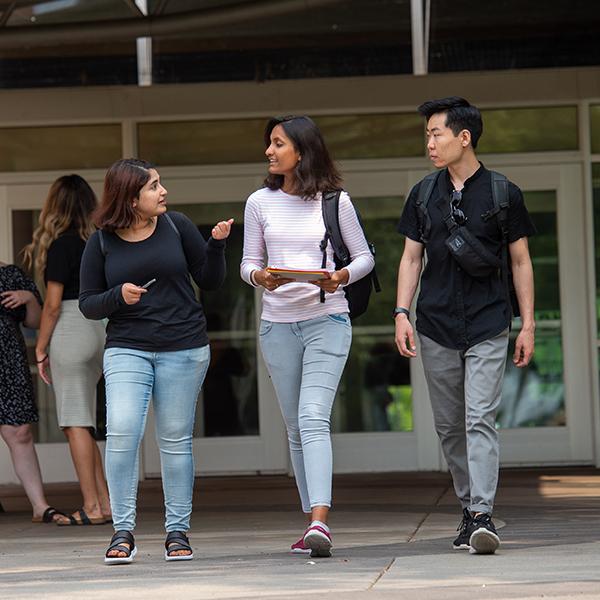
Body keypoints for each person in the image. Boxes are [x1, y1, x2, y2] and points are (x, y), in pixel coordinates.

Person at [395, 97, 536, 554]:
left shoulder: (502, 193)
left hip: (488, 321)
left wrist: (528, 323)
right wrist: (401, 312)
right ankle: (468, 506)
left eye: (436, 134)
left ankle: (482, 513)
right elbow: (411, 257)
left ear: (464, 137)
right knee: (450, 426)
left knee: (479, 418)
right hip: (435, 322)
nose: (429, 143)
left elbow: (520, 260)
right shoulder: (422, 194)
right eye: (427, 135)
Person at [79, 158, 232, 565]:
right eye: (154, 186)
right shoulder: (101, 241)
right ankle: (122, 530)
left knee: (175, 440)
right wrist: (118, 296)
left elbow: (210, 281)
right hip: (127, 347)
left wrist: (216, 245)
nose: (163, 191)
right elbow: (88, 303)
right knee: (123, 430)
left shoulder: (177, 225)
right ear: (131, 197)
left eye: (160, 184)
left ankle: (177, 531)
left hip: (183, 347)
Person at [240, 115, 374, 557]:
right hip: (277, 326)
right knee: (295, 427)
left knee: (313, 416)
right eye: (268, 144)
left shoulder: (335, 201)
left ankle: (320, 522)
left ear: (302, 149)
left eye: (277, 144)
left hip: (327, 320)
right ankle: (309, 524)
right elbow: (247, 264)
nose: (269, 151)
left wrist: (340, 276)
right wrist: (261, 277)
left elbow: (365, 259)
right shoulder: (259, 201)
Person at [23, 175, 110, 526]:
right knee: (84, 424)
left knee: (74, 422)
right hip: (100, 327)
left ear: (53, 207)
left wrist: (40, 348)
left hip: (72, 329)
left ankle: (91, 506)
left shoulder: (62, 245)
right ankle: (105, 505)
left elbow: (53, 305)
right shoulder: (100, 241)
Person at [0, 261, 66, 524]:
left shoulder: (11, 273)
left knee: (20, 432)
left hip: (8, 360)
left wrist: (28, 298)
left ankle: (40, 506)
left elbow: (36, 320)